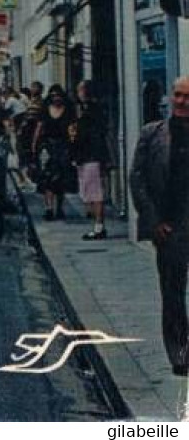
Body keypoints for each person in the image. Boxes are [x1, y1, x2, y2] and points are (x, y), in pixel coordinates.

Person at [129, 76, 189, 376]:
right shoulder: (153, 133)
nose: (181, 101)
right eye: (178, 95)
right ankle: (180, 354)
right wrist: (154, 222)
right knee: (173, 293)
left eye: (187, 97)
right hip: (170, 228)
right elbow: (137, 178)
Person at [72, 81, 113, 240]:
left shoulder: (91, 111)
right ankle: (97, 225)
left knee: (95, 192)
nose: (78, 93)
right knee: (91, 191)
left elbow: (90, 136)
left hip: (91, 156)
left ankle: (99, 227)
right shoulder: (88, 110)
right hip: (88, 156)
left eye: (80, 90)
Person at [32, 90, 76, 220]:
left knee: (60, 179)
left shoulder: (68, 111)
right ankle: (49, 208)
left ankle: (59, 207)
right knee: (47, 178)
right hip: (48, 147)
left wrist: (73, 145)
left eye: (58, 96)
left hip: (63, 147)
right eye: (54, 96)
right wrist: (34, 144)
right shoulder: (45, 111)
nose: (56, 98)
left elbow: (72, 128)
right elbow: (39, 128)